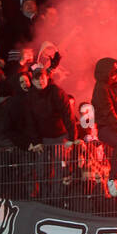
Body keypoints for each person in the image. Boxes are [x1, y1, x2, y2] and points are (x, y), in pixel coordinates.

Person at [23, 62, 75, 205]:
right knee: (41, 170)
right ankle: (44, 200)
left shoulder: (56, 92)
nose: (40, 81)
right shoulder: (30, 97)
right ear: (32, 80)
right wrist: (36, 140)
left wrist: (71, 137)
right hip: (43, 139)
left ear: (47, 77)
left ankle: (57, 201)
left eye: (42, 77)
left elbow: (68, 115)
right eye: (36, 79)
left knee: (60, 170)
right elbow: (30, 121)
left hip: (60, 137)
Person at [91, 57, 117, 198]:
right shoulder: (101, 89)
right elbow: (110, 115)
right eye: (113, 71)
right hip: (106, 128)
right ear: (105, 72)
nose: (115, 74)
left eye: (116, 71)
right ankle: (112, 179)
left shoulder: (113, 86)